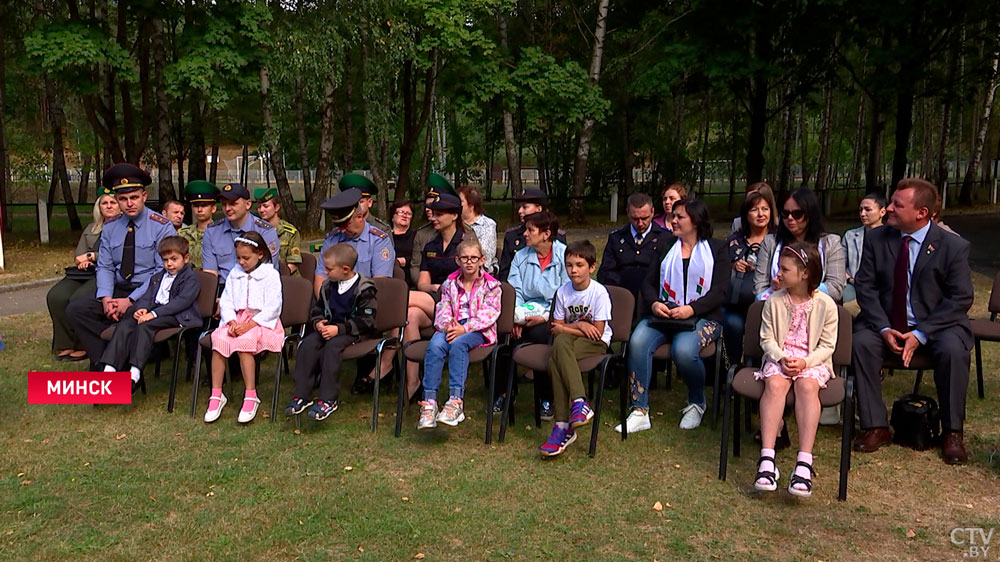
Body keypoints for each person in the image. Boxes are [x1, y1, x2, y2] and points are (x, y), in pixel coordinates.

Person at [852, 179, 974, 465]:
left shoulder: (952, 247)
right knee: (861, 341)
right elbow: (865, 288)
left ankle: (952, 433)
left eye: (897, 205)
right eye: (891, 202)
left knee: (954, 350)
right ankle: (876, 425)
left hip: (935, 327)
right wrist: (883, 328)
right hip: (888, 323)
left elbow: (960, 298)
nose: (889, 208)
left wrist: (921, 333)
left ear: (921, 213)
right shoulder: (877, 238)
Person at [619, 198, 729, 433]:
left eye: (680, 217)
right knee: (637, 341)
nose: (673, 220)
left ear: (696, 221)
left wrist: (692, 309)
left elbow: (720, 291)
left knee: (683, 350)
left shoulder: (718, 249)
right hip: (664, 314)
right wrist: (656, 303)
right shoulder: (665, 245)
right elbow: (648, 284)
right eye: (674, 216)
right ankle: (640, 410)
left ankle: (697, 402)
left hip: (704, 316)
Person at [67, 163, 177, 371]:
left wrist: (130, 300)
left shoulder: (162, 227)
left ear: (144, 196)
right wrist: (106, 298)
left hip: (148, 292)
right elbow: (105, 266)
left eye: (134, 197)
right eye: (123, 199)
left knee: (131, 316)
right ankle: (104, 362)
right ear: (117, 200)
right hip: (118, 288)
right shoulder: (110, 227)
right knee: (77, 309)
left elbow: (161, 273)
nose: (129, 204)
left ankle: (112, 366)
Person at [753, 242, 839, 497]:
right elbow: (766, 339)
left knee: (807, 385)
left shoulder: (826, 305)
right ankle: (767, 457)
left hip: (812, 361)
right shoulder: (774, 301)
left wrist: (805, 363)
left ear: (804, 273)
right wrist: (780, 358)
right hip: (780, 358)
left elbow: (828, 346)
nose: (777, 274)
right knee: (776, 384)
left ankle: (804, 462)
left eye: (784, 269)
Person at [390, 192, 477, 399]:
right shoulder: (431, 245)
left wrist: (442, 287)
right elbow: (422, 283)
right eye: (433, 213)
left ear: (454, 216)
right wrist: (437, 287)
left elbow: (472, 281)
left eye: (439, 214)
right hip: (434, 299)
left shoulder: (467, 244)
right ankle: (413, 382)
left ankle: (386, 357)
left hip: (460, 304)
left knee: (402, 301)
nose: (433, 218)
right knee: (410, 315)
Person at [286, 243, 379, 421]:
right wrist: (318, 322)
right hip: (329, 328)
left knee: (332, 347)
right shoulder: (328, 287)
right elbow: (317, 309)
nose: (326, 273)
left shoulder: (365, 289)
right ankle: (302, 394)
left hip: (354, 332)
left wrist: (339, 329)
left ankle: (328, 399)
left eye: (329, 269)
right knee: (308, 343)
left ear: (345, 269)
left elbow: (367, 320)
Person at [99, 236, 202, 393]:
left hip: (178, 316)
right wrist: (142, 308)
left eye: (174, 259)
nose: (169, 264)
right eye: (166, 260)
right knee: (127, 322)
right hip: (156, 310)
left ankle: (135, 374)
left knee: (145, 325)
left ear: (186, 258)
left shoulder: (191, 278)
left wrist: (153, 314)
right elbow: (147, 296)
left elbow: (181, 302)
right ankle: (109, 369)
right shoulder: (158, 276)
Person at [417, 239, 502, 430]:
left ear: (482, 260)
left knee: (458, 344)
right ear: (458, 261)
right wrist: (447, 325)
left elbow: (490, 313)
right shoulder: (450, 283)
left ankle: (456, 401)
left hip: (478, 330)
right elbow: (443, 306)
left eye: (474, 258)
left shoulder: (492, 286)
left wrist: (465, 328)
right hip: (452, 326)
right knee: (435, 345)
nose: (469, 262)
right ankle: (429, 402)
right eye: (465, 258)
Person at [539, 240, 612, 457]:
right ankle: (578, 403)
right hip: (573, 338)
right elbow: (555, 328)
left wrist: (566, 329)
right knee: (559, 347)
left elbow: (597, 332)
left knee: (556, 356)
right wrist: (579, 325)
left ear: (591, 267)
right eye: (569, 265)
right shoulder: (563, 292)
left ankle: (562, 426)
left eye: (579, 265)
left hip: (596, 343)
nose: (573, 270)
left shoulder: (599, 293)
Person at [204, 232, 285, 424]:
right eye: (238, 257)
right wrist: (231, 321)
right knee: (219, 340)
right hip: (237, 320)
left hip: (260, 322)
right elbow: (227, 301)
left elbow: (274, 306)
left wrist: (249, 324)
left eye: (246, 258)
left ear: (260, 255)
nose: (241, 262)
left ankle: (251, 394)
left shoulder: (270, 275)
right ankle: (216, 394)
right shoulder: (235, 273)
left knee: (244, 343)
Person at [500, 211, 570, 419]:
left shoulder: (565, 257)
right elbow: (515, 291)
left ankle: (546, 398)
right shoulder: (521, 256)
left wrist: (546, 317)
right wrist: (516, 317)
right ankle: (505, 394)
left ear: (546, 234)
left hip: (553, 314)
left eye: (530, 230)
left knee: (542, 336)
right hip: (525, 312)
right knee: (505, 335)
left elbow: (567, 295)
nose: (525, 234)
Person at [47, 187, 120, 361]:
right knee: (56, 296)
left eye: (113, 202)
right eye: (104, 203)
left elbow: (118, 256)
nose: (109, 206)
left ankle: (83, 344)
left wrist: (92, 256)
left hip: (106, 273)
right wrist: (83, 260)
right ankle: (65, 343)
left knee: (78, 299)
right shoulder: (91, 229)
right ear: (98, 207)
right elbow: (78, 256)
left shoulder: (124, 227)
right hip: (84, 273)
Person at [753, 188, 846, 302]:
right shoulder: (770, 242)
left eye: (797, 214)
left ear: (810, 214)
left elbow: (836, 288)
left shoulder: (831, 243)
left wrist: (793, 289)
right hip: (776, 308)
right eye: (785, 213)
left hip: (818, 310)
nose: (790, 218)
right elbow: (759, 288)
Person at [722, 190, 774, 365]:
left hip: (769, 304)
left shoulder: (778, 239)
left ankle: (757, 368)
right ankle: (733, 370)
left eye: (765, 209)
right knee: (732, 324)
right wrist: (733, 266)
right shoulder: (734, 240)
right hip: (737, 302)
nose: (761, 214)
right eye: (754, 210)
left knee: (760, 324)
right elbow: (719, 270)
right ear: (745, 214)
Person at [314, 189, 395, 297]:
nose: (342, 230)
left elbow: (380, 284)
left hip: (364, 301)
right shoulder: (331, 240)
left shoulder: (379, 241)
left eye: (346, 224)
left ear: (359, 217)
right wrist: (326, 305)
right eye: (339, 226)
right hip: (333, 303)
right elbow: (321, 278)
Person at [202, 182, 280, 281]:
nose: (227, 208)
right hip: (223, 290)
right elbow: (210, 275)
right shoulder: (212, 232)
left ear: (248, 204)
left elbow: (267, 272)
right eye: (224, 204)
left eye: (233, 204)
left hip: (256, 288)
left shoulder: (265, 231)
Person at [597, 192, 668, 299]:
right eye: (635, 219)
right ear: (627, 213)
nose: (640, 223)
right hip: (622, 296)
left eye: (644, 218)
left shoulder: (665, 238)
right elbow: (604, 273)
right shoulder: (616, 238)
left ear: (652, 212)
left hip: (654, 297)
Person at [498, 188, 567, 281]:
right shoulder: (512, 236)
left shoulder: (557, 236)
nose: (519, 211)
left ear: (539, 209)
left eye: (525, 207)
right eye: (520, 207)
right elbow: (504, 273)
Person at [842, 193, 887, 311]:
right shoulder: (850, 236)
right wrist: (850, 279)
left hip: (880, 289)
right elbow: (840, 265)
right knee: (850, 308)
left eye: (868, 210)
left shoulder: (891, 237)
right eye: (861, 210)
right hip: (852, 286)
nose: (862, 214)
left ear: (882, 212)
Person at [410, 173, 455, 283]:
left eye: (434, 208)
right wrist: (423, 286)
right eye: (427, 206)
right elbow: (415, 266)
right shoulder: (422, 233)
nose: (428, 210)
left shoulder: (465, 233)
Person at [254, 188, 302, 273]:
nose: (261, 210)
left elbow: (293, 263)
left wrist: (274, 278)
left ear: (276, 207)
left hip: (285, 278)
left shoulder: (290, 232)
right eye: (259, 207)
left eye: (265, 206)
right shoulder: (254, 230)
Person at [178, 180, 219, 269]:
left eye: (204, 205)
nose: (199, 210)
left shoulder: (221, 233)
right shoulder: (182, 234)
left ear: (213, 208)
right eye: (196, 206)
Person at [458, 184, 498, 274]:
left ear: (471, 205)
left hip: (482, 275)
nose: (456, 205)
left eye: (460, 201)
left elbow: (486, 256)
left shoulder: (487, 225)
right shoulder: (455, 224)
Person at [389, 199, 416, 286]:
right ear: (393, 216)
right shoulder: (385, 236)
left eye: (408, 214)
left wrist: (403, 261)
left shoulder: (416, 236)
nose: (405, 215)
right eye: (401, 212)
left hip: (409, 280)